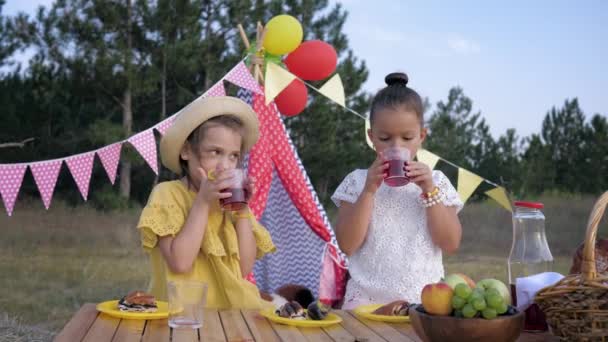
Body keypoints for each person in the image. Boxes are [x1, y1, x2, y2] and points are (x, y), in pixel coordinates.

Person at [331, 72, 463, 309]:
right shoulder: (358, 181)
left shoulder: (438, 182)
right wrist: (369, 191)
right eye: (384, 138)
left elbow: (450, 243)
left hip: (423, 305)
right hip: (363, 304)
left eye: (407, 137)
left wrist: (430, 191)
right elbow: (347, 245)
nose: (396, 146)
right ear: (371, 137)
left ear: (421, 136)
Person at [137, 96, 276, 309]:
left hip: (230, 312)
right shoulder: (168, 194)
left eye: (233, 156)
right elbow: (180, 263)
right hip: (181, 314)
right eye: (215, 152)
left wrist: (242, 210)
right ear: (186, 151)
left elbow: (244, 268)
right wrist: (202, 202)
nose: (225, 165)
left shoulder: (229, 204)